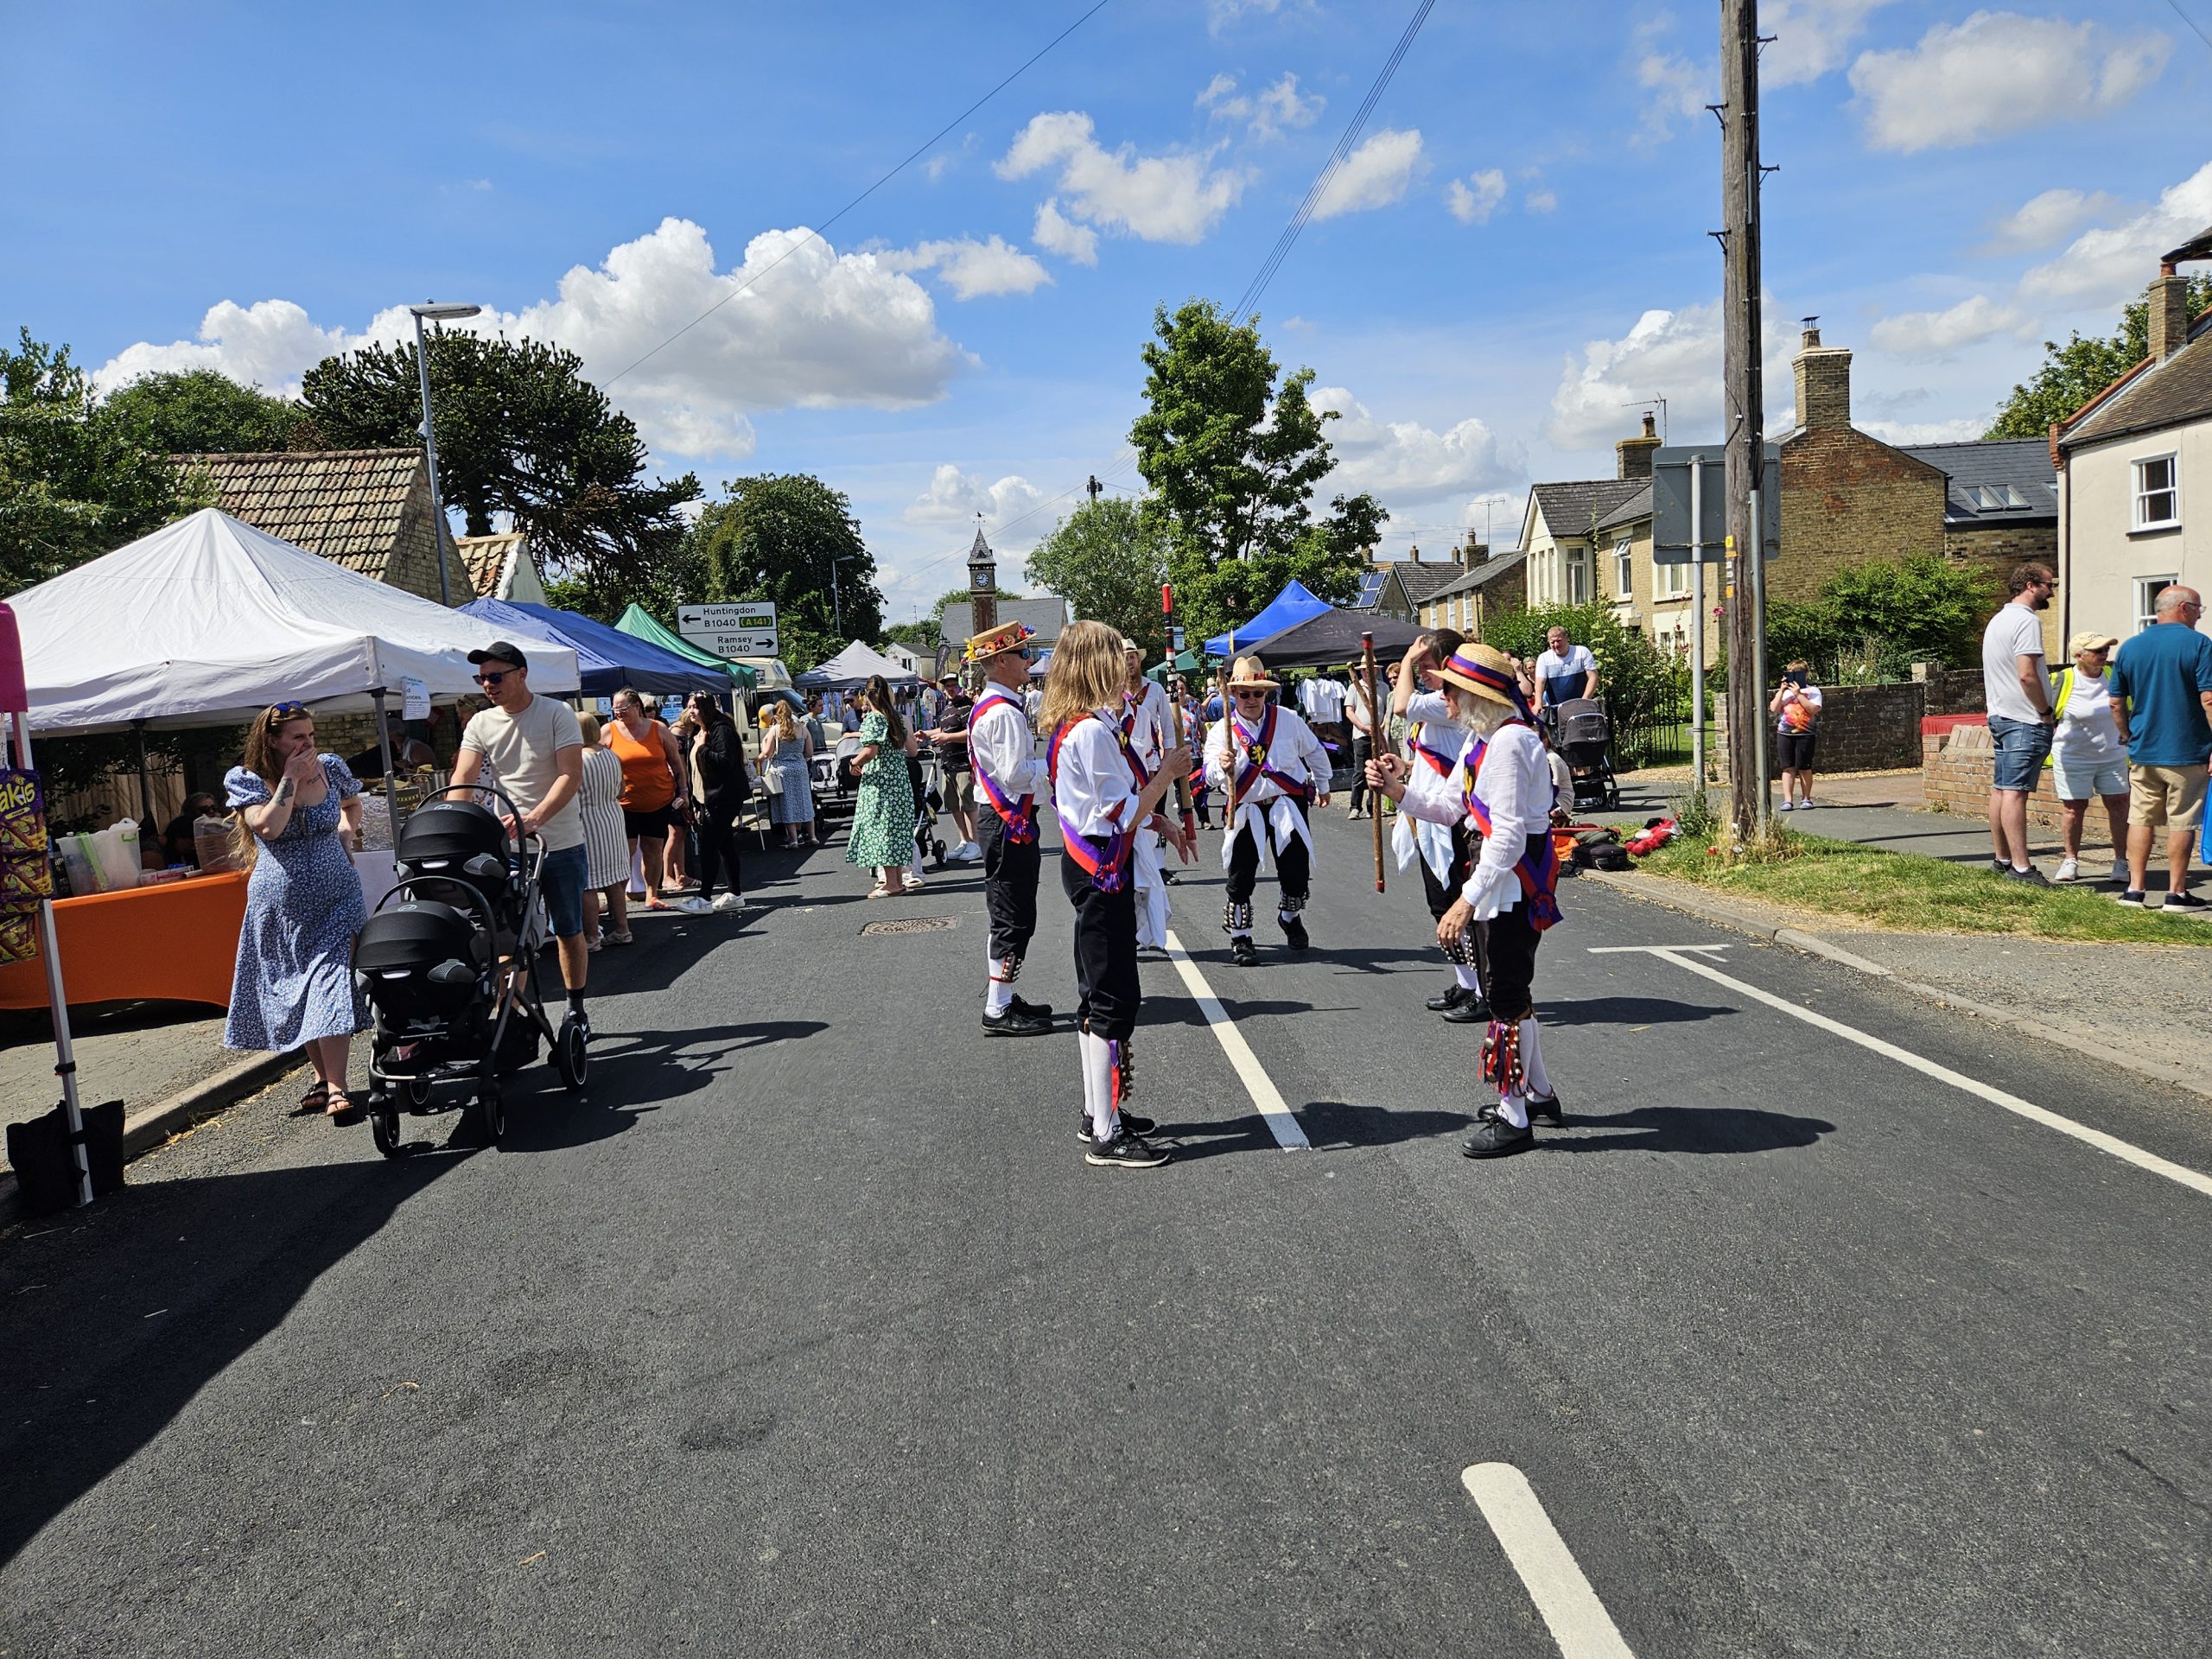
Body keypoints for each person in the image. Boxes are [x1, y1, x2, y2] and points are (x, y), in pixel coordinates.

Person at [1367, 644, 1565, 1159]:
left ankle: (1514, 1117)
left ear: (1476, 695)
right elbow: (1451, 807)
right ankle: (1538, 1095)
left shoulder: (1509, 745)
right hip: (1500, 879)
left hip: (1512, 882)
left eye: (1449, 690)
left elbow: (1508, 838)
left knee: (1503, 994)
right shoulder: (1483, 742)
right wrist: (1397, 792)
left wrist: (1464, 902)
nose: (1442, 699)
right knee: (1512, 992)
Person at [1042, 620, 1189, 1167]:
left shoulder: (1086, 725)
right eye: (1115, 656)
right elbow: (1121, 809)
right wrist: (1168, 773)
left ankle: (1096, 1111)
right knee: (1110, 996)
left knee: (1100, 994)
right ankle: (1106, 1132)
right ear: (1095, 666)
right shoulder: (1091, 732)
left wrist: (1163, 826)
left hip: (1097, 865)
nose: (1127, 666)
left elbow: (1119, 805)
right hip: (1101, 869)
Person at [223, 704, 368, 1121]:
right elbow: (269, 827)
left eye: (311, 735)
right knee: (296, 988)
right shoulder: (248, 779)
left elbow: (353, 804)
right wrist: (288, 778)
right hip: (281, 907)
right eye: (297, 737)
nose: (308, 744)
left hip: (338, 896)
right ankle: (323, 1079)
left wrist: (345, 829)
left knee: (331, 979)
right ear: (272, 741)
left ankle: (339, 1085)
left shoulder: (330, 767)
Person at [449, 641, 594, 1042]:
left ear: (522, 674)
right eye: (481, 678)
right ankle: (510, 1013)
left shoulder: (556, 713)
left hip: (559, 841)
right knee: (507, 933)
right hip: (509, 848)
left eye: (495, 677)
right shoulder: (480, 723)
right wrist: (452, 825)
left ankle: (575, 1007)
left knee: (567, 929)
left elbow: (569, 775)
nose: (487, 685)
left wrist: (534, 818)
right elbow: (462, 781)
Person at [1205, 656, 1332, 968]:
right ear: (1233, 694)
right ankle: (1241, 937)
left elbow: (1314, 750)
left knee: (1296, 872)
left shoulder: (1288, 719)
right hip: (1246, 807)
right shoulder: (1222, 731)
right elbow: (1207, 774)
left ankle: (1289, 916)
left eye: (1258, 693)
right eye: (1245, 694)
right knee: (1241, 874)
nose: (1251, 700)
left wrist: (1325, 784)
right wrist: (1222, 767)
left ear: (1267, 693)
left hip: (1287, 804)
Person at [1391, 631, 1486, 1023]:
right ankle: (1466, 981)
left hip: (1449, 822)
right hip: (1431, 815)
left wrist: (1410, 659)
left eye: (1427, 667)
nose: (1423, 674)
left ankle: (1482, 989)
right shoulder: (1440, 706)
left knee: (1453, 908)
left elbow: (1400, 706)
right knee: (1439, 906)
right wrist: (1407, 771)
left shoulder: (1444, 702)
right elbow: (1439, 761)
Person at [965, 620, 1055, 1036]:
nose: (1028, 660)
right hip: (1005, 823)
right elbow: (1016, 775)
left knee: (1015, 912)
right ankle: (998, 1007)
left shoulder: (1000, 705)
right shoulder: (1001, 711)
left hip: (1004, 822)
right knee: (1011, 916)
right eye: (1022, 654)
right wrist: (1054, 765)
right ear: (1000, 661)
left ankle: (1002, 996)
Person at [2110, 584, 2212, 913]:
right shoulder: (2199, 644)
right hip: (2186, 749)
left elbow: (2115, 702)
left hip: (2144, 750)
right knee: (2181, 821)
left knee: (2140, 819)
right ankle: (2176, 894)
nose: (2199, 614)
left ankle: (2134, 891)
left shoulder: (2131, 647)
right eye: (2198, 608)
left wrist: (2126, 734)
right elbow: (2208, 698)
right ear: (2183, 607)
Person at [1980, 563, 2058, 884]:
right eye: (2048, 584)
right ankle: (2022, 868)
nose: (2052, 590)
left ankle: (2002, 860)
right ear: (2030, 585)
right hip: (2024, 718)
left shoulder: (1998, 620)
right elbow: (2027, 674)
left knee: (2001, 790)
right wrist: (2045, 710)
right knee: (2014, 793)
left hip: (2000, 715)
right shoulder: (2026, 621)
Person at [607, 687, 707, 915]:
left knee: (653, 848)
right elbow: (594, 759)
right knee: (625, 853)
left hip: (659, 802)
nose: (618, 712)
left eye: (622, 708)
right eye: (615, 709)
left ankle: (652, 894)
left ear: (636, 707)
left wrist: (683, 792)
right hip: (624, 805)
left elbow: (676, 762)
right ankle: (617, 902)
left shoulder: (658, 729)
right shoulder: (608, 731)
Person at [1122, 638, 1192, 950]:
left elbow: (1167, 729)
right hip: (1124, 774)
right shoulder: (1112, 695)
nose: (1130, 662)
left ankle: (1156, 872)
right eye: (1125, 657)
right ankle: (1135, 919)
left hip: (1151, 771)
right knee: (1130, 840)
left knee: (1153, 828)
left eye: (1133, 656)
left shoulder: (1155, 691)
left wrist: (1169, 769)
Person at [2048, 632, 2131, 887]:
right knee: (2073, 809)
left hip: (2113, 755)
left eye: (2106, 650)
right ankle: (2071, 859)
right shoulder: (2061, 680)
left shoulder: (2113, 677)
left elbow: (2128, 707)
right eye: (2097, 651)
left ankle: (2121, 861)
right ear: (2078, 655)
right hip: (2073, 756)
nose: (2104, 655)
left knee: (2119, 805)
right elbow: (2046, 716)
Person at [844, 675, 918, 898]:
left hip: (880, 781)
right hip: (898, 779)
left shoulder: (875, 719)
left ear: (868, 695)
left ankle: (891, 884)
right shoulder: (897, 717)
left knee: (881, 829)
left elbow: (870, 751)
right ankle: (895, 881)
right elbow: (913, 751)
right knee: (894, 829)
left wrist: (854, 762)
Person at [686, 691, 750, 912]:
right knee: (725, 845)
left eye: (694, 706)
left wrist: (703, 747)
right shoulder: (700, 731)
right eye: (689, 706)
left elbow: (724, 762)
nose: (690, 710)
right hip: (707, 798)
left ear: (706, 708)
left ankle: (704, 899)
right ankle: (735, 893)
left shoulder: (720, 730)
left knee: (708, 846)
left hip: (723, 797)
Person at [574, 714, 632, 950]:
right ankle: (622, 929)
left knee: (588, 884)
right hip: (612, 818)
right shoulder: (612, 755)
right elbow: (621, 791)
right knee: (614, 880)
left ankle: (592, 937)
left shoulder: (576, 761)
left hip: (587, 821)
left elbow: (570, 796)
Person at [924, 683, 982, 861]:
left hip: (964, 764)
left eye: (953, 686)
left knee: (969, 806)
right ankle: (964, 841)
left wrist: (946, 737)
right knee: (954, 806)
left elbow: (972, 732)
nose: (950, 689)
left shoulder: (967, 707)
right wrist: (926, 734)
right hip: (948, 765)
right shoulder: (949, 707)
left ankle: (976, 843)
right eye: (947, 687)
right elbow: (944, 730)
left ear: (960, 687)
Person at [761, 700, 819, 848]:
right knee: (805, 802)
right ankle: (812, 837)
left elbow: (767, 753)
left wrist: (758, 758)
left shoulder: (775, 730)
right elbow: (810, 752)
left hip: (782, 770)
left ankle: (793, 840)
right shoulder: (803, 728)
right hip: (800, 768)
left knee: (788, 805)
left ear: (777, 715)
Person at [1770, 662, 1823, 810]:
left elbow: (1812, 709)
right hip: (1785, 734)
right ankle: (1788, 800)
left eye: (1798, 674)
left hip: (1805, 733)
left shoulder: (1813, 691)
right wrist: (1781, 691)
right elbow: (1774, 708)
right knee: (1788, 767)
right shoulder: (1784, 693)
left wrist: (1798, 694)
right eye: (1790, 674)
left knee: (1804, 767)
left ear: (1805, 675)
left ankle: (1806, 798)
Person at [1533, 626, 1599, 721]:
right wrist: (1538, 702)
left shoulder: (1582, 652)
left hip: (1580, 707)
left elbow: (1593, 677)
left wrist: (1585, 700)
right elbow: (1540, 682)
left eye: (1558, 641)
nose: (1556, 645)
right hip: (1557, 709)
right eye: (1552, 642)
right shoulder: (1544, 658)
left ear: (1567, 639)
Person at [1345, 663, 1376, 819]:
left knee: (1376, 771)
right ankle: (1355, 807)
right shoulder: (1354, 688)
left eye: (1369, 669)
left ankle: (1372, 807)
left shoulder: (1382, 687)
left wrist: (1380, 726)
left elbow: (1387, 710)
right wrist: (1362, 726)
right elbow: (1349, 711)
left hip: (1379, 735)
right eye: (1364, 670)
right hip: (1361, 735)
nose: (1367, 672)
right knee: (1360, 772)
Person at [162, 791, 219, 868]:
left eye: (214, 808)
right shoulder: (181, 830)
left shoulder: (221, 829)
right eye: (204, 809)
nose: (211, 812)